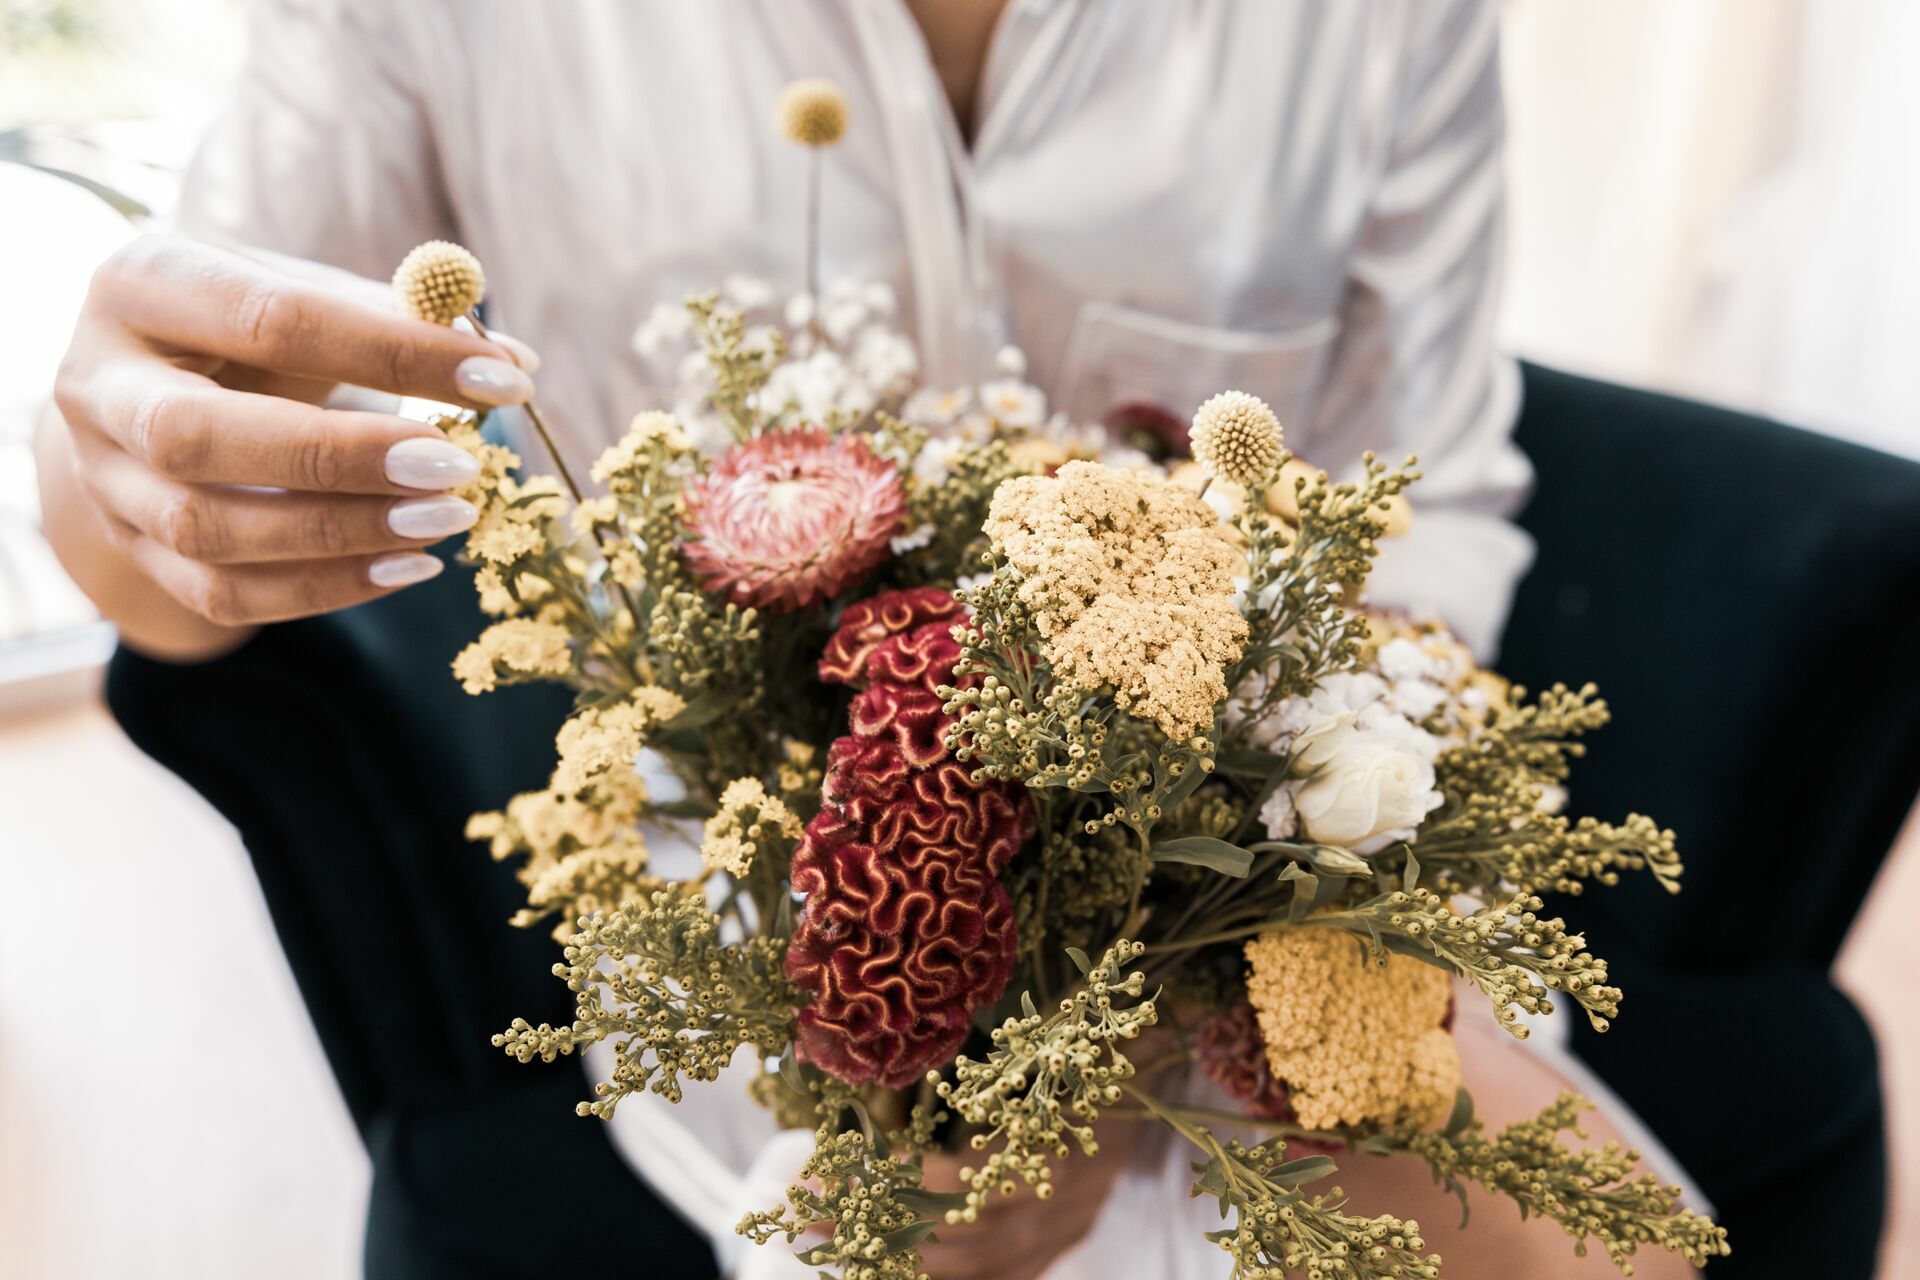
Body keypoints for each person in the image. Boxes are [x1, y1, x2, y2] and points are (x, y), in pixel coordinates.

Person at [33, 2, 1697, 1276]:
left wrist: (1193, 934)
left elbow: (1432, 501)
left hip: (1247, 847)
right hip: (767, 917)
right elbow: (188, 473)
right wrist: (125, 482)